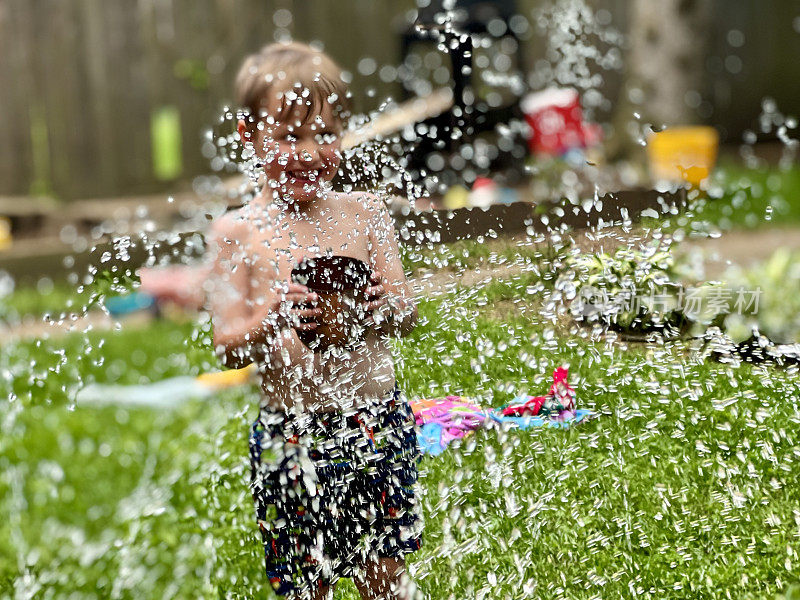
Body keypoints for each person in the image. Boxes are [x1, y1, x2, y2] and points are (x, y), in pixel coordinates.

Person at [205, 41, 422, 600]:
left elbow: (406, 314)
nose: (308, 153)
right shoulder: (237, 233)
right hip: (292, 433)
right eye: (288, 137)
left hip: (376, 422)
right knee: (308, 585)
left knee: (386, 577)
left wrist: (385, 308)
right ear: (248, 137)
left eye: (324, 134)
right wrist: (268, 319)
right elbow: (227, 346)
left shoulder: (366, 213)